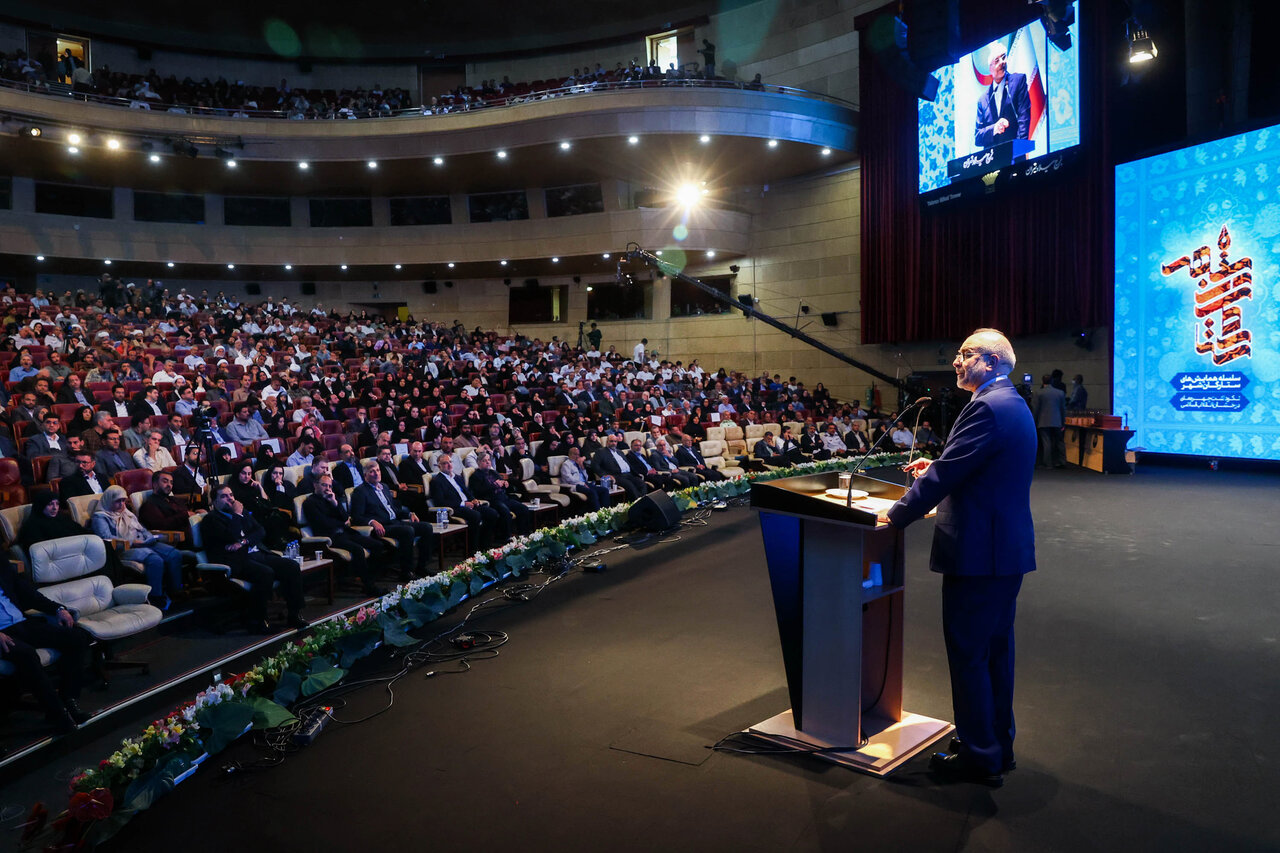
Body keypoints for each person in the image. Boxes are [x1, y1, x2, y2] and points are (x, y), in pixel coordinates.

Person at [878, 328, 1036, 787]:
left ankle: (979, 755)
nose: (956, 362)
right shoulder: (1011, 403)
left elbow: (950, 471)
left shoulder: (985, 407)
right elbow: (978, 468)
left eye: (965, 354)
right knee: (993, 654)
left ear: (990, 361)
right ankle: (993, 743)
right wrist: (937, 468)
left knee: (969, 655)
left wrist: (897, 514)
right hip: (1002, 551)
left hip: (978, 554)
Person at [0, 554, 93, 734]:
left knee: (76, 637)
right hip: (2, 634)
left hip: (20, 622)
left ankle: (69, 700)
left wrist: (58, 609)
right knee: (26, 654)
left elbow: (25, 591)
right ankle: (58, 714)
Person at [202, 484, 306, 632]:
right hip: (235, 560)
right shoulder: (211, 520)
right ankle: (258, 620)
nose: (230, 499)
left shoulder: (242, 512)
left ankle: (295, 614)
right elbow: (231, 535)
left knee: (291, 566)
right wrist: (237, 515)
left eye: (231, 495)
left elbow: (260, 531)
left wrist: (243, 542)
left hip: (256, 553)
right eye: (224, 496)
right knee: (265, 573)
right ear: (214, 501)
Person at [91, 485, 184, 610]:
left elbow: (141, 528)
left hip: (143, 542)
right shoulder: (100, 517)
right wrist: (132, 542)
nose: (121, 504)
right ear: (109, 500)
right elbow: (106, 538)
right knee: (155, 560)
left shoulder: (126, 512)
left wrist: (148, 537)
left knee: (175, 554)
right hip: (124, 548)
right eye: (118, 501)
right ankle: (155, 597)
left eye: (123, 501)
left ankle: (176, 592)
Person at [350, 459, 435, 579]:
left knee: (427, 527)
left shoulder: (384, 487)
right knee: (408, 531)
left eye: (378, 470)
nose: (376, 473)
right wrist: (372, 522)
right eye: (372, 471)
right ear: (365, 475)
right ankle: (406, 571)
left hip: (394, 522)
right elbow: (356, 517)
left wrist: (409, 514)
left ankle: (421, 566)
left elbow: (394, 510)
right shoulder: (360, 492)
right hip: (381, 526)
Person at [303, 474, 383, 596]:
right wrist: (341, 522)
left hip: (344, 532)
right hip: (330, 537)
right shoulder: (309, 502)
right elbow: (324, 523)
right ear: (315, 485)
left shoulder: (330, 498)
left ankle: (371, 581)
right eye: (324, 485)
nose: (327, 488)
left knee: (377, 545)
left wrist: (335, 503)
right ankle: (369, 587)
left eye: (329, 486)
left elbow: (346, 517)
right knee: (358, 550)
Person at [428, 453, 502, 548]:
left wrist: (473, 499)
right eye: (445, 463)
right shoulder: (437, 481)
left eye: (450, 462)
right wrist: (463, 503)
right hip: (455, 508)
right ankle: (472, 547)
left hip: (468, 504)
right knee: (476, 516)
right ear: (439, 466)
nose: (449, 465)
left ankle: (484, 544)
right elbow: (440, 502)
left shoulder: (457, 477)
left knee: (492, 513)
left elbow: (467, 492)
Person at [975, 43, 1030, 150]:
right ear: (990, 69)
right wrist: (995, 128)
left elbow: (1024, 119)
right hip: (992, 160)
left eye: (1004, 57)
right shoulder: (983, 100)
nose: (1002, 62)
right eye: (997, 61)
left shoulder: (1018, 81)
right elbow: (978, 137)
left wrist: (1020, 150)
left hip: (1015, 155)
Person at [468, 450, 532, 538]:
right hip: (491, 500)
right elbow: (478, 492)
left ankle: (523, 534)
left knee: (523, 508)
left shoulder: (493, 472)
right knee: (505, 511)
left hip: (503, 497)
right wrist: (494, 485)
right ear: (478, 463)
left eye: (489, 460)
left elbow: (503, 484)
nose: (487, 462)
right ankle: (506, 537)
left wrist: (506, 484)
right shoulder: (475, 476)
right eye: (484, 461)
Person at [557, 445, 610, 510]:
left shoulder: (578, 463)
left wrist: (582, 466)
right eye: (575, 454)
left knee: (604, 490)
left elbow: (586, 477)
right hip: (575, 485)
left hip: (584, 483)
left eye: (578, 454)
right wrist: (582, 484)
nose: (577, 456)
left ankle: (606, 511)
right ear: (569, 454)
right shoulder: (566, 464)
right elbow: (569, 479)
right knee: (592, 492)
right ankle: (598, 513)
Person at [1031, 374, 1066, 468]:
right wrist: (1063, 422)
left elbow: (1036, 408)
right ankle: (1062, 461)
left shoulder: (1038, 393)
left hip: (1043, 421)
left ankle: (1048, 463)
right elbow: (1063, 409)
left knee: (1047, 442)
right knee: (1060, 441)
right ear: (1052, 381)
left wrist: (1034, 422)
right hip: (1057, 421)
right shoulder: (1060, 393)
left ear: (1042, 381)